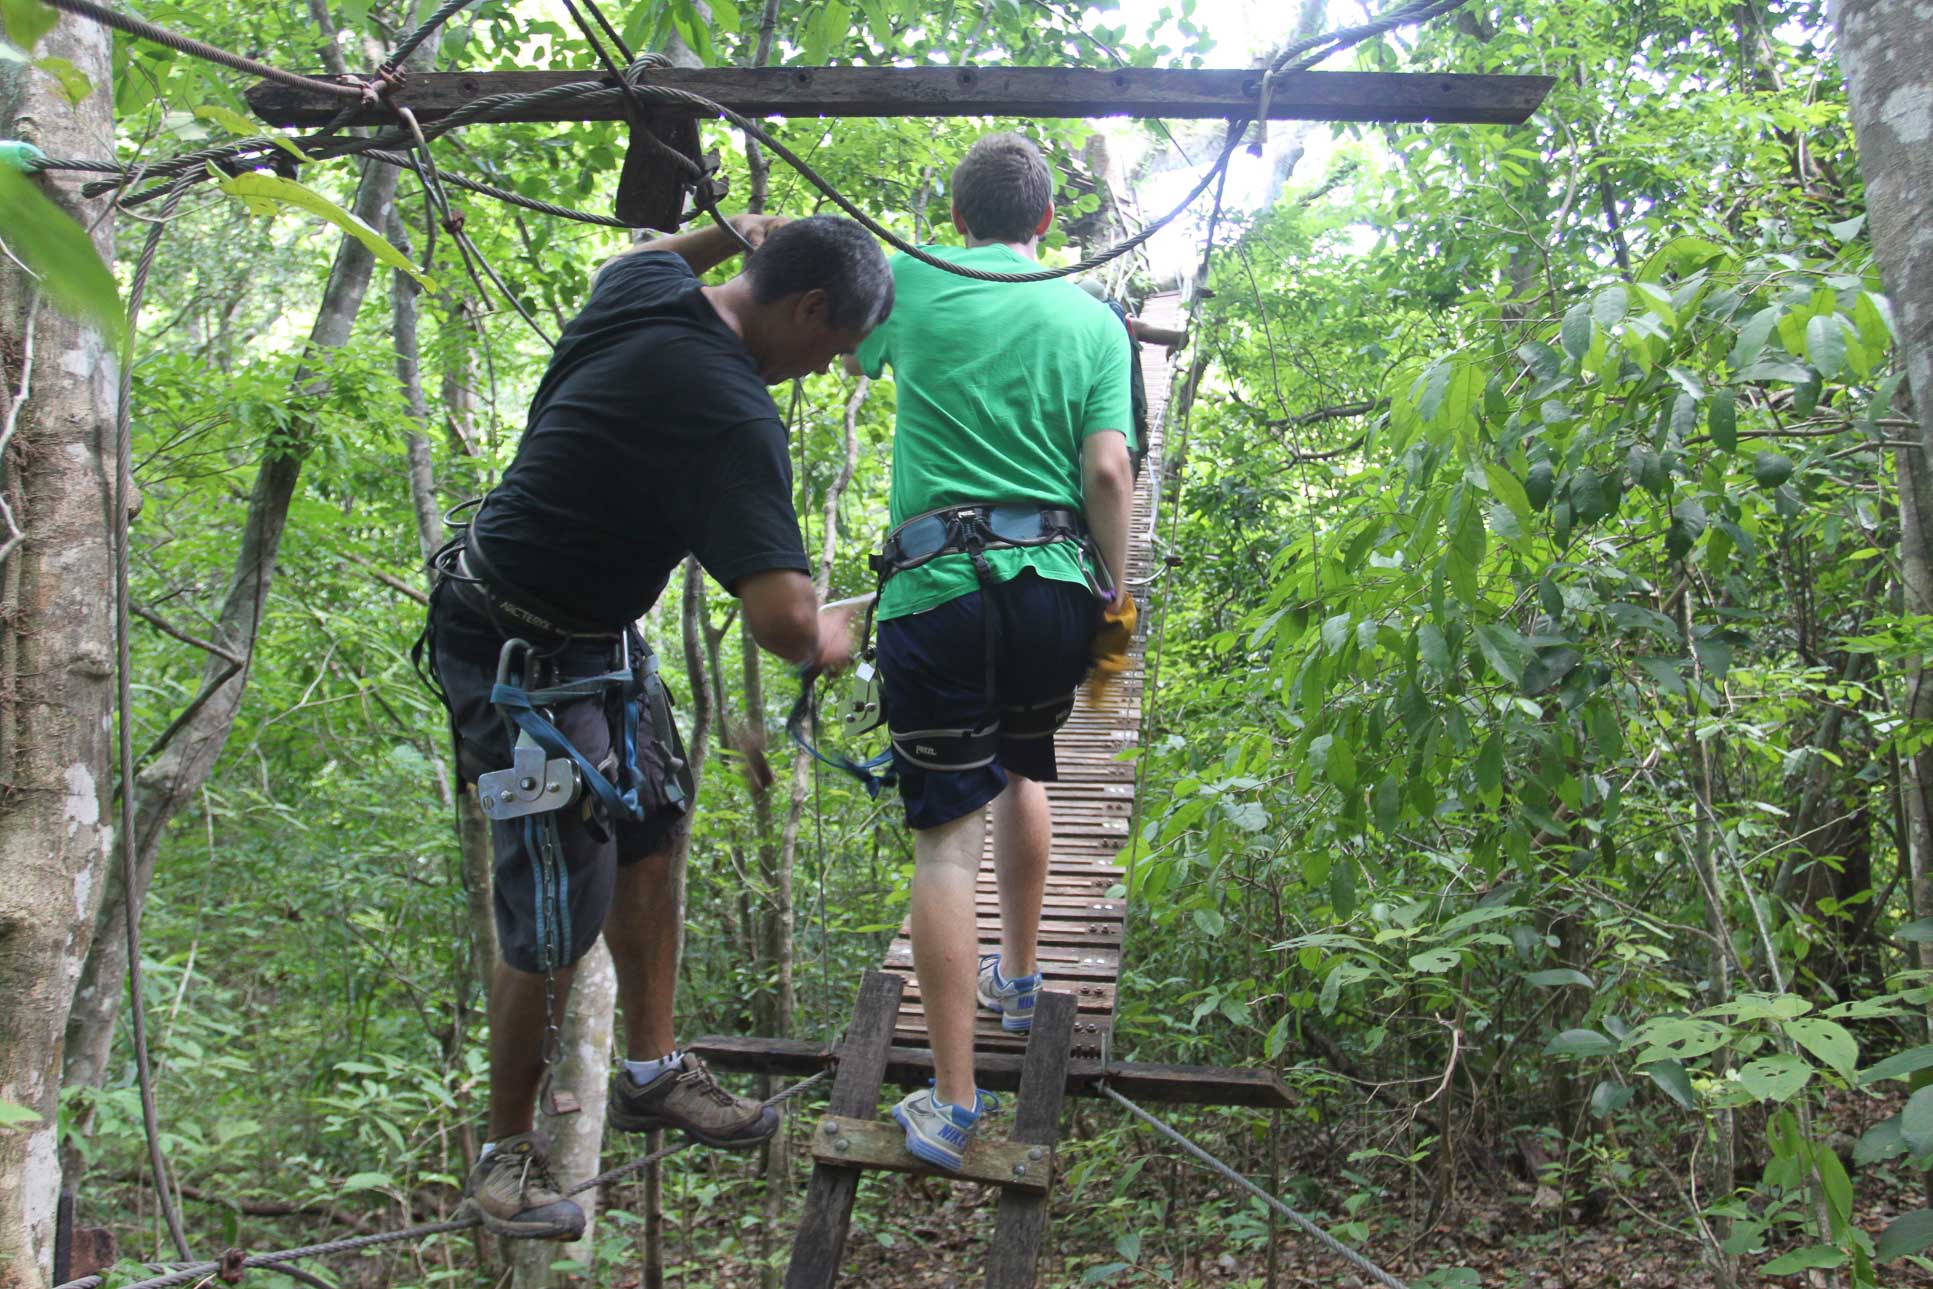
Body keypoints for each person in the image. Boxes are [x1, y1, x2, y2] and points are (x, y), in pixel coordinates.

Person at [422, 213, 892, 1238]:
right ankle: (504, 1155)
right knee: (556, 897)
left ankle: (650, 1068)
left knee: (654, 827)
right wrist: (844, 631)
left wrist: (725, 229)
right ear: (808, 307)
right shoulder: (730, 413)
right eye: (833, 348)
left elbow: (634, 258)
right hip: (511, 658)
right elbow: (783, 627)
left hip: (592, 636)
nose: (820, 371)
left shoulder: (645, 294)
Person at [848, 133, 1135, 1170]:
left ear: (959, 218)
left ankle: (956, 1097)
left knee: (941, 844)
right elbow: (1107, 470)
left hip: (936, 589)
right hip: (1054, 588)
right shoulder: (1093, 317)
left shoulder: (914, 276)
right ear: (1047, 223)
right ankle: (1019, 974)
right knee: (1027, 761)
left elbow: (851, 345)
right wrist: (1115, 588)